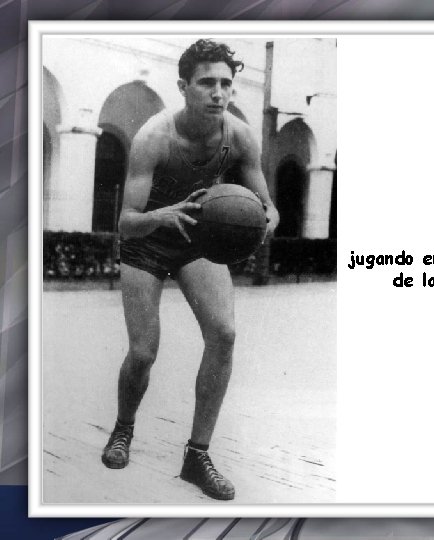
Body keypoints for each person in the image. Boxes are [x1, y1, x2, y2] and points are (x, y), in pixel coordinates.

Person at [100, 39, 279, 501]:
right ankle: (123, 429)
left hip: (197, 239)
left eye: (226, 83)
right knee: (143, 353)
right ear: (184, 86)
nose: (218, 92)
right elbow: (126, 222)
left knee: (224, 333)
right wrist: (162, 214)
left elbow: (264, 202)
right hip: (148, 241)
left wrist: (266, 217)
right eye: (207, 83)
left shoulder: (238, 135)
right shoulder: (153, 138)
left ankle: (197, 456)